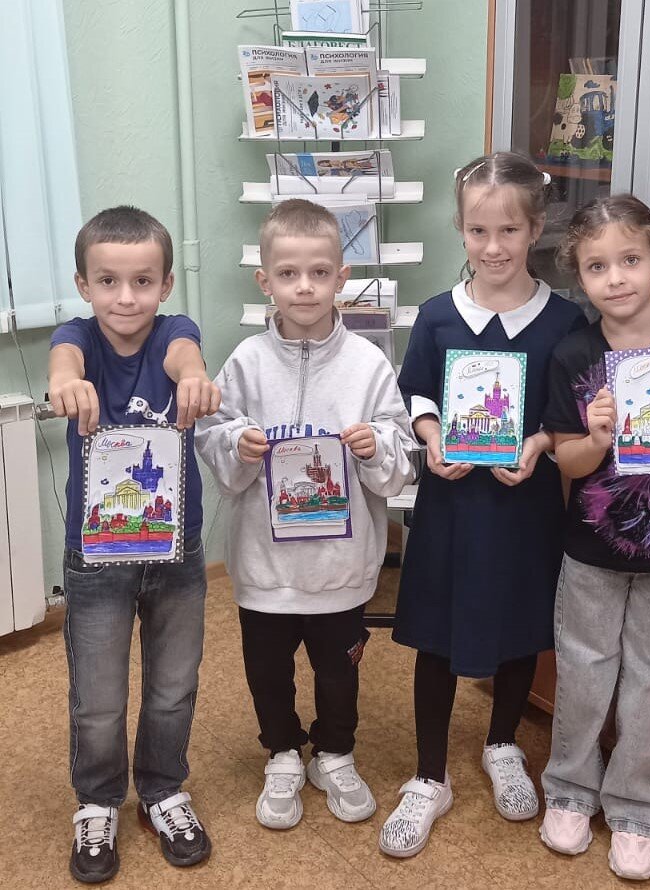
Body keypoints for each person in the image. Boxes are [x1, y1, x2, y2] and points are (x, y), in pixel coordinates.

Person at [379, 152, 587, 858]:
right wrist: (432, 436)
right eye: (477, 231)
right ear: (460, 229)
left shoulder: (565, 321)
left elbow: (566, 413)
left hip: (523, 505)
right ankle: (428, 775)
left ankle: (503, 743)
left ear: (536, 229)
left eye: (508, 231)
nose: (493, 247)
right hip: (451, 502)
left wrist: (538, 444)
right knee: (436, 631)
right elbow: (415, 394)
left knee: (520, 623)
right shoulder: (438, 315)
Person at [195, 199, 414, 831]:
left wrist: (376, 446)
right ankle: (283, 753)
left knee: (339, 674)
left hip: (339, 568)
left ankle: (336, 753)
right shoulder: (245, 361)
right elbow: (213, 436)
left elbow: (401, 455)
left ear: (342, 277)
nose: (305, 287)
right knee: (267, 672)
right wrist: (236, 444)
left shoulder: (368, 364)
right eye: (289, 274)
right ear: (264, 280)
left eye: (320, 273)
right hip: (265, 567)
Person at [538, 194, 650, 881]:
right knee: (584, 669)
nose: (615, 278)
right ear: (579, 275)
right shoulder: (574, 352)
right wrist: (597, 436)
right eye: (596, 267)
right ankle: (568, 792)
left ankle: (638, 812)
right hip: (592, 548)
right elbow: (568, 461)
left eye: (629, 261)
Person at [48, 206, 220, 883]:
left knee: (174, 686)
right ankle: (97, 801)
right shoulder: (77, 337)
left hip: (175, 553)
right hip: (96, 558)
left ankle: (162, 789)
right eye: (108, 281)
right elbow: (64, 360)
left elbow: (186, 357)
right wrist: (66, 382)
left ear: (166, 284)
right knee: (97, 696)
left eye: (143, 281)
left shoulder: (175, 333)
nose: (126, 297)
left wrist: (194, 378)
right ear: (83, 284)